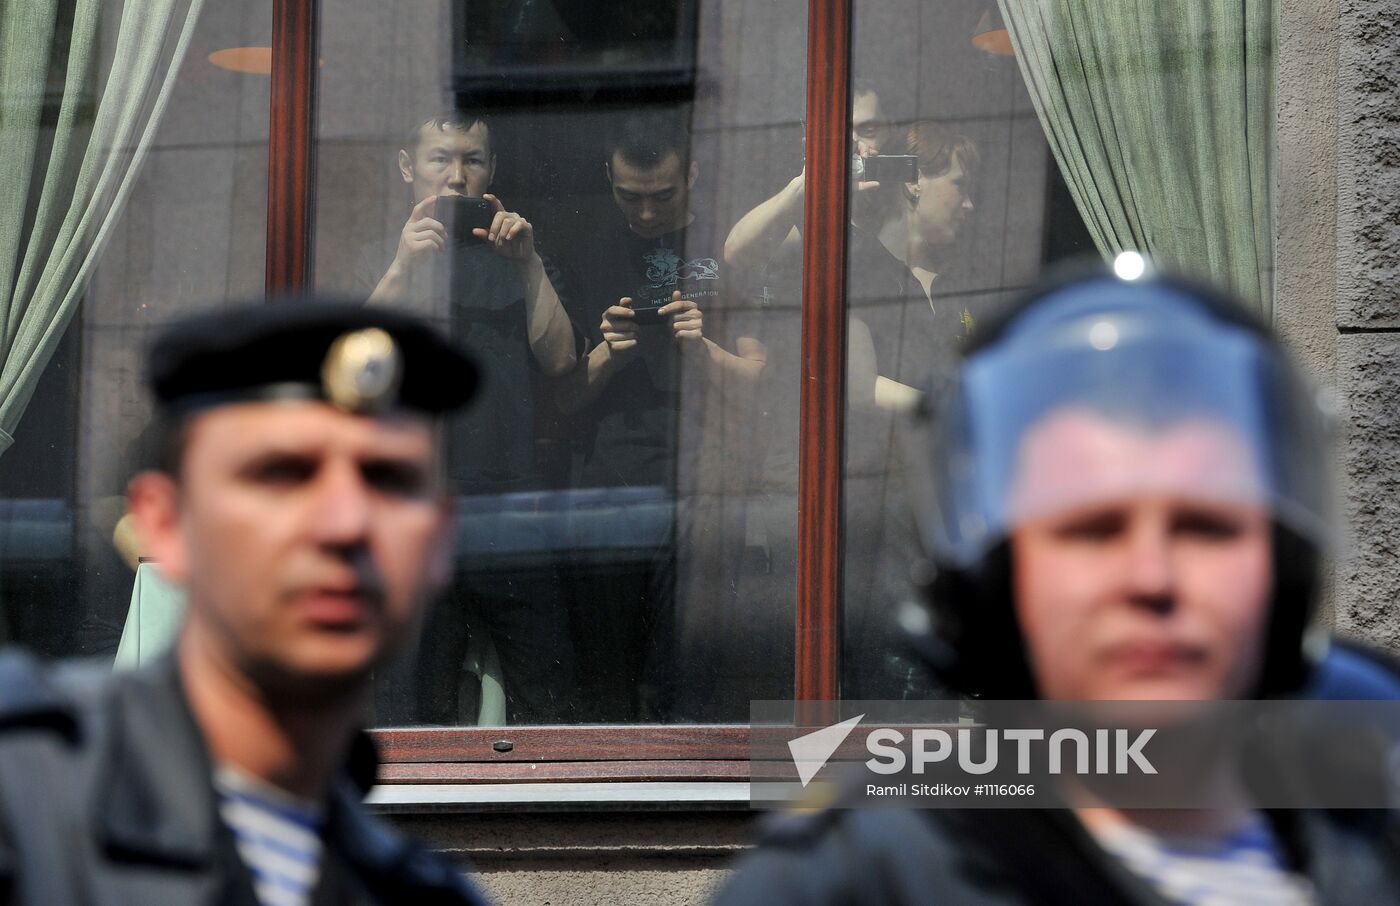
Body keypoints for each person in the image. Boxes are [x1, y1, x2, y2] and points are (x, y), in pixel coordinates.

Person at [714, 265, 1400, 904]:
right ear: (992, 587)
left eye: (1205, 527)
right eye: (1092, 530)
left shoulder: (1374, 810)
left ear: (1285, 575)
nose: (1151, 579)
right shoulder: (851, 880)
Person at [0, 302, 491, 905]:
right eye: (282, 476)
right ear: (164, 524)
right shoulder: (21, 805)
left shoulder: (421, 895)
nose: (345, 524)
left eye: (387, 479)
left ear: (441, 537)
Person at [362, 110, 581, 724]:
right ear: (409, 167)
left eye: (473, 161)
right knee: (410, 710)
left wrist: (529, 264)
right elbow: (350, 371)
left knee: (551, 703)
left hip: (509, 510)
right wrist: (405, 268)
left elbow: (562, 359)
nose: (456, 178)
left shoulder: (519, 255)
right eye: (440, 160)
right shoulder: (384, 252)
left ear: (492, 170)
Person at [552, 110, 765, 720]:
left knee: (692, 678)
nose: (646, 213)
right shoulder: (581, 247)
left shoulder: (727, 250)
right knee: (606, 679)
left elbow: (760, 383)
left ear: (692, 174)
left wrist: (701, 351)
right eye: (630, 197)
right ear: (608, 179)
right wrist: (608, 358)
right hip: (605, 488)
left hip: (702, 486)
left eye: (662, 196)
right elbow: (559, 400)